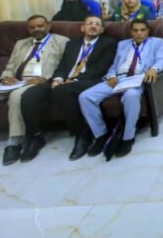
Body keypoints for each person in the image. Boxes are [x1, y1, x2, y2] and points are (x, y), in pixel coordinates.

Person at [19, 15, 117, 162]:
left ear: (102, 30)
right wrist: (58, 79)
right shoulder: (72, 44)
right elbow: (63, 66)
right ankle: (35, 136)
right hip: (65, 81)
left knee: (61, 91)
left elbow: (101, 68)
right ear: (82, 28)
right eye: (89, 23)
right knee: (30, 94)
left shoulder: (108, 43)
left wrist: (74, 80)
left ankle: (81, 134)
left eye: (97, 24)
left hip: (90, 80)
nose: (93, 26)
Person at [0, 15, 68, 165]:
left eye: (40, 26)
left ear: (48, 26)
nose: (36, 29)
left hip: (38, 82)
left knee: (17, 96)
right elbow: (10, 66)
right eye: (32, 27)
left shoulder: (61, 42)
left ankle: (14, 141)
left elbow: (65, 66)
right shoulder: (21, 44)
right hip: (16, 82)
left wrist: (46, 78)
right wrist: (6, 78)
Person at [79, 19, 163, 158]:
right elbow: (115, 65)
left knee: (131, 95)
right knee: (85, 96)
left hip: (138, 79)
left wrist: (154, 68)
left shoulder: (157, 42)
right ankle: (101, 135)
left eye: (142, 30)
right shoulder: (123, 44)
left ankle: (128, 137)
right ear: (131, 32)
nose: (139, 33)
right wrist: (110, 76)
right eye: (135, 30)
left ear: (148, 31)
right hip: (119, 79)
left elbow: (162, 59)